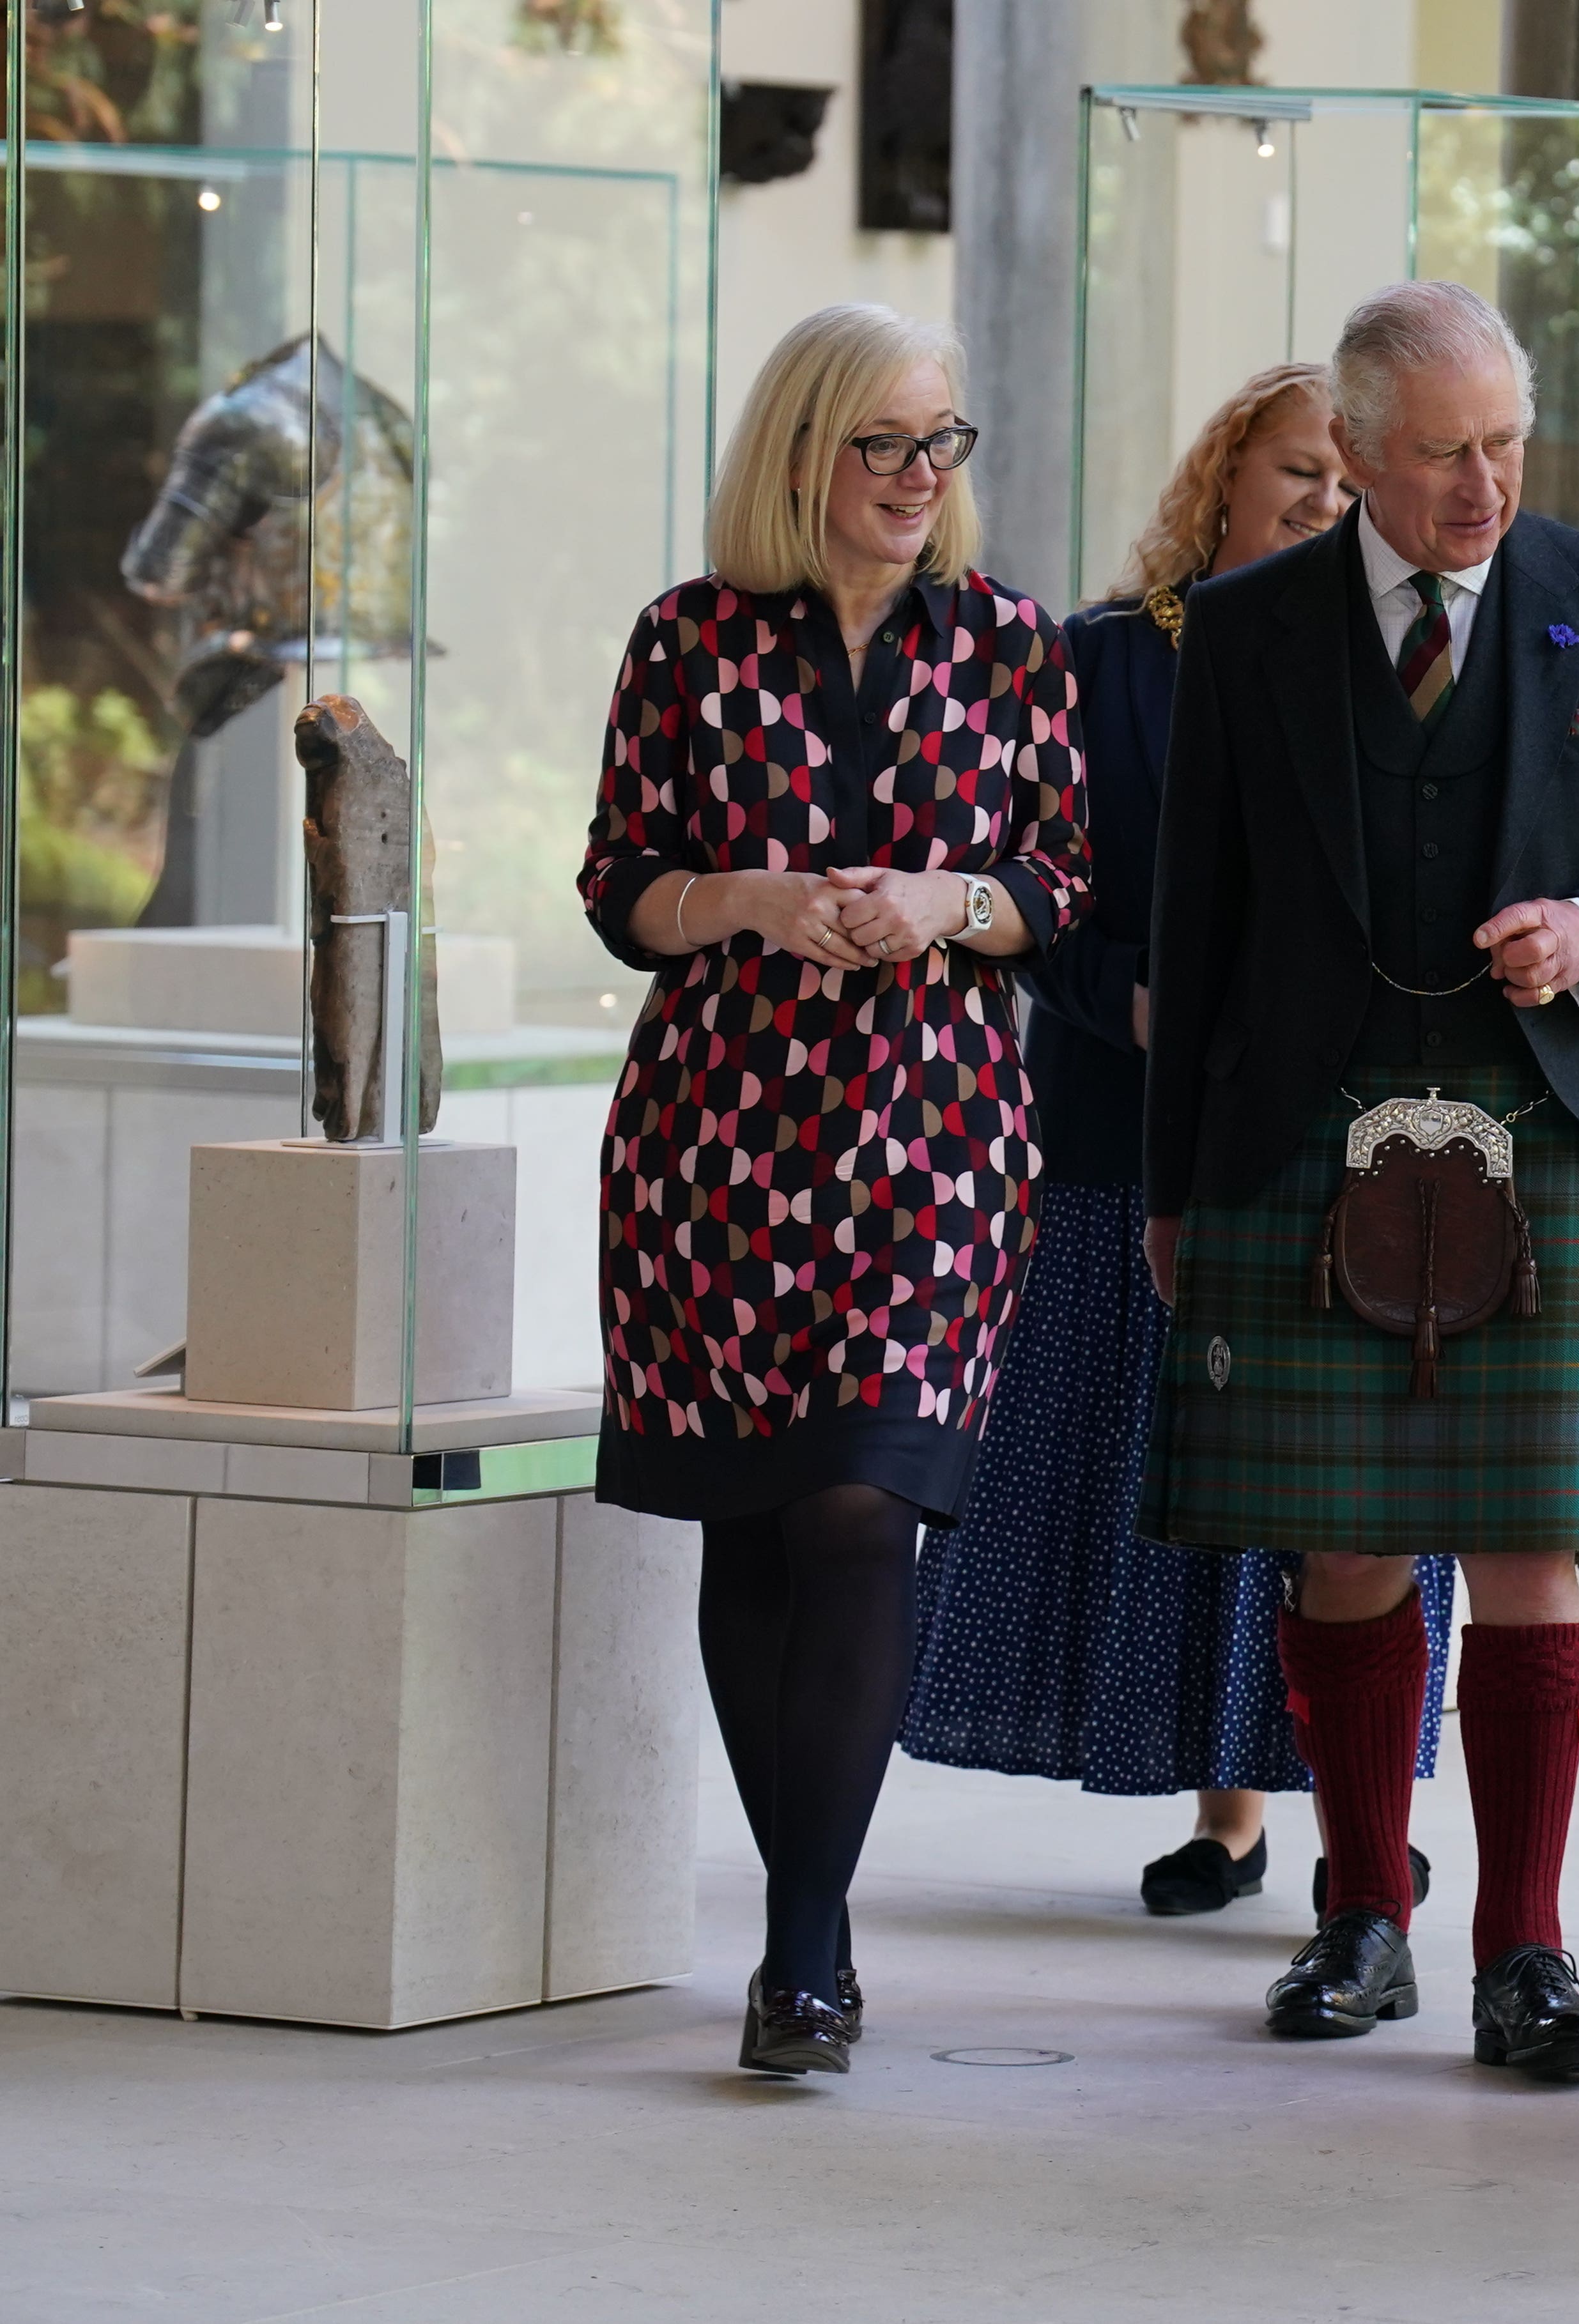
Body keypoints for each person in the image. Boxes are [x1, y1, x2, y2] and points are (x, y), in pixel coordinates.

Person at [1143, 281, 1579, 2079]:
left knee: (1528, 1547)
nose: (1484, 485)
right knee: (1342, 1544)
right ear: (1351, 456)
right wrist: (1179, 1182)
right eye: (1441, 455)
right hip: (1303, 1132)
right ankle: (1361, 1916)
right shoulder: (1246, 628)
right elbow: (1200, 913)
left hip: (1545, 1116)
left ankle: (1529, 1948)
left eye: (1505, 443)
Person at [576, 304, 1086, 2079]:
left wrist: (951, 904)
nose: (918, 477)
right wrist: (747, 898)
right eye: (883, 443)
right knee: (756, 1517)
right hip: (717, 1138)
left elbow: (1063, 882)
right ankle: (816, 1919)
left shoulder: (1012, 640)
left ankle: (803, 1940)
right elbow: (619, 878)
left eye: (942, 441)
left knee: (864, 1499)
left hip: (938, 1138)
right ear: (800, 454)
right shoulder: (690, 640)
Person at [900, 365, 1458, 1915]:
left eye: (1350, 488)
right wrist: (1132, 1005)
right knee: (1180, 1482)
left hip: (1349, 1143)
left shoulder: (1403, 659)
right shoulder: (1094, 665)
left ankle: (1352, 1810)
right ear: (1222, 476)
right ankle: (1231, 1814)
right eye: (1297, 472)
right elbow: (1017, 896)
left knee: (1342, 1494)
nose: (1322, 507)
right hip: (1122, 1141)